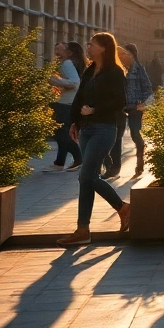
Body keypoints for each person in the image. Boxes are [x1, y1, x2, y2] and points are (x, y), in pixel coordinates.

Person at [56, 33, 132, 247]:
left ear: (104, 48)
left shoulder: (115, 72)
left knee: (86, 175)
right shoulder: (90, 70)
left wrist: (95, 110)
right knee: (87, 179)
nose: (88, 47)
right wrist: (75, 121)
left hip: (104, 129)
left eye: (92, 44)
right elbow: (79, 97)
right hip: (87, 128)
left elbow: (120, 102)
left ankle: (122, 208)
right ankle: (83, 230)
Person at [108, 44, 153, 178]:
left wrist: (143, 104)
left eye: (124, 54)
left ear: (132, 55)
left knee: (135, 134)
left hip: (135, 108)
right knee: (116, 137)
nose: (122, 56)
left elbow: (148, 89)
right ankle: (114, 168)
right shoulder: (117, 69)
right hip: (119, 108)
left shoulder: (139, 70)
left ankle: (140, 161)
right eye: (120, 54)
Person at [44, 42, 85, 172]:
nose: (60, 49)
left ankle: (79, 158)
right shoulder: (76, 62)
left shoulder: (67, 63)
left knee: (60, 133)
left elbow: (74, 83)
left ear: (70, 52)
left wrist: (53, 79)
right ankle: (59, 163)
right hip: (71, 102)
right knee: (63, 132)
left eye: (64, 48)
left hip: (66, 102)